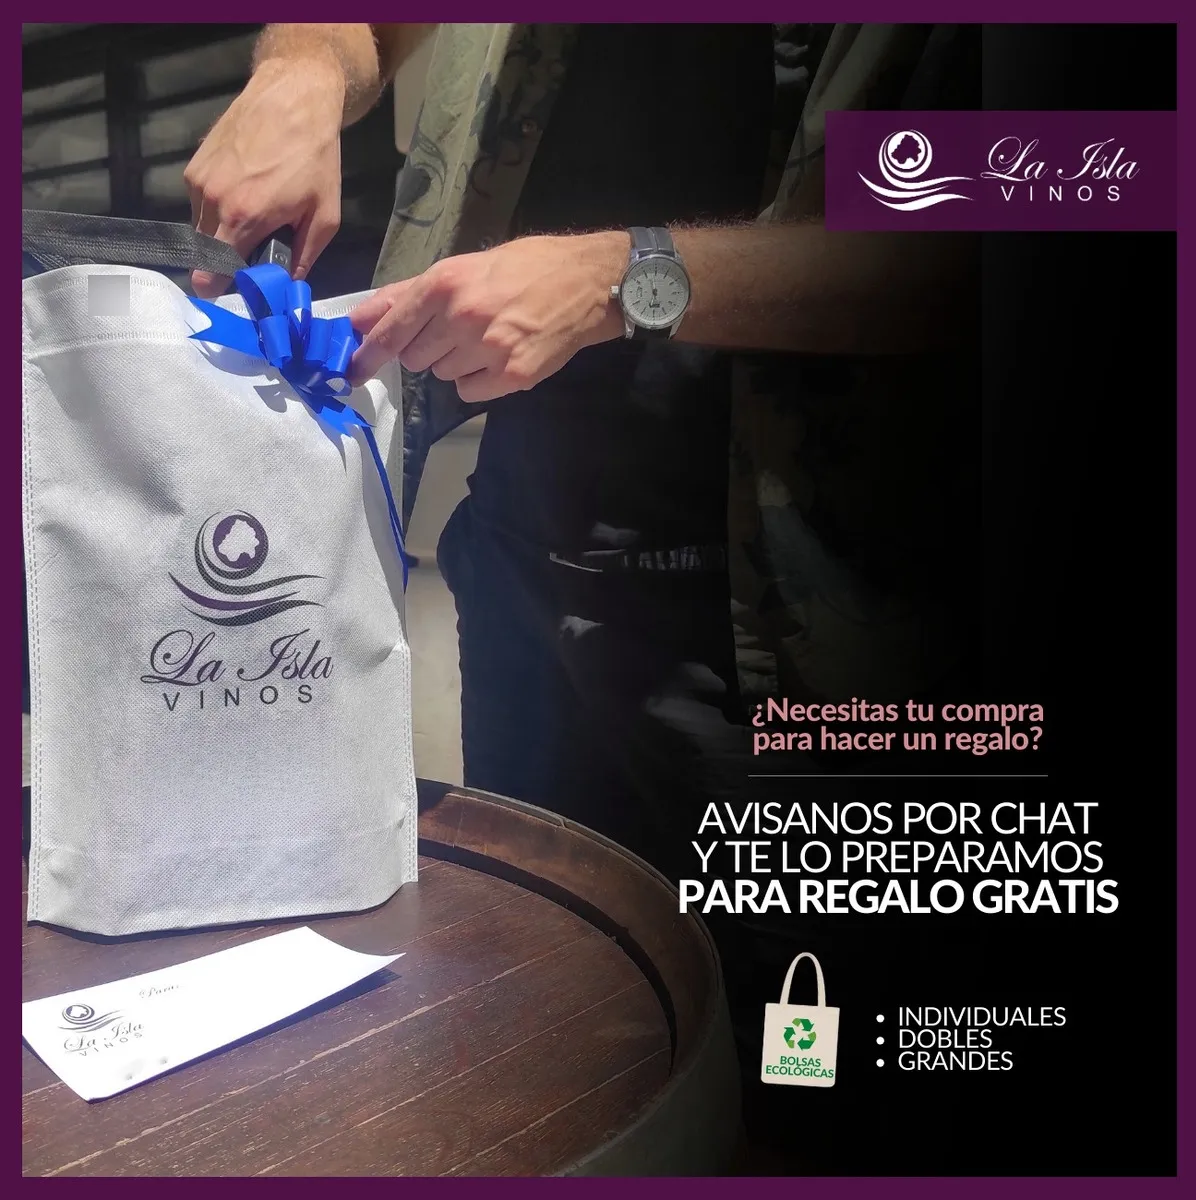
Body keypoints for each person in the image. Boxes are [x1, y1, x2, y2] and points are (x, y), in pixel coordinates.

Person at [186, 22, 980, 1171]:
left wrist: (623, 280)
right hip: (526, 568)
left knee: (815, 1076)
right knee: (567, 1039)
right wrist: (303, 70)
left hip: (821, 636)